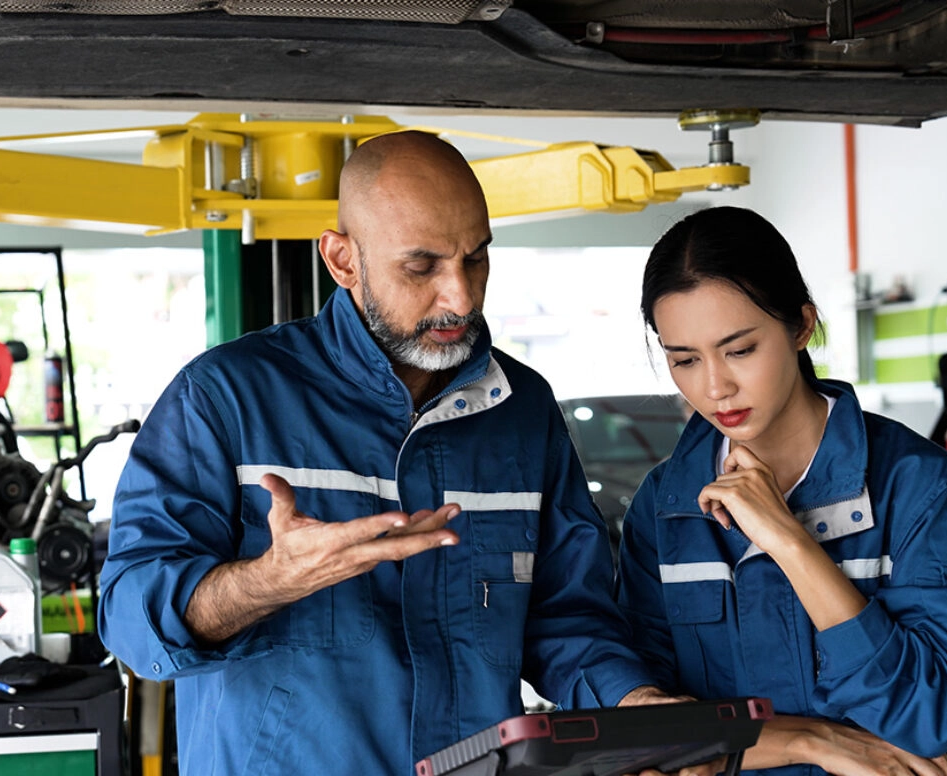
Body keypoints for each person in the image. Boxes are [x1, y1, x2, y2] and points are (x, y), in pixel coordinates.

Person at [98, 131, 667, 775]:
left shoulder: (521, 409)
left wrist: (636, 700)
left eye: (476, 259)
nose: (461, 297)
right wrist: (268, 582)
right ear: (343, 261)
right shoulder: (224, 397)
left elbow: (565, 619)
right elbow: (127, 616)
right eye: (421, 267)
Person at [614, 206, 947, 776]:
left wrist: (789, 540)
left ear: (802, 325)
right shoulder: (666, 507)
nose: (714, 386)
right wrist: (804, 739)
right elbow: (646, 730)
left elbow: (927, 715)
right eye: (684, 359)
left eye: (740, 350)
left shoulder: (918, 488)